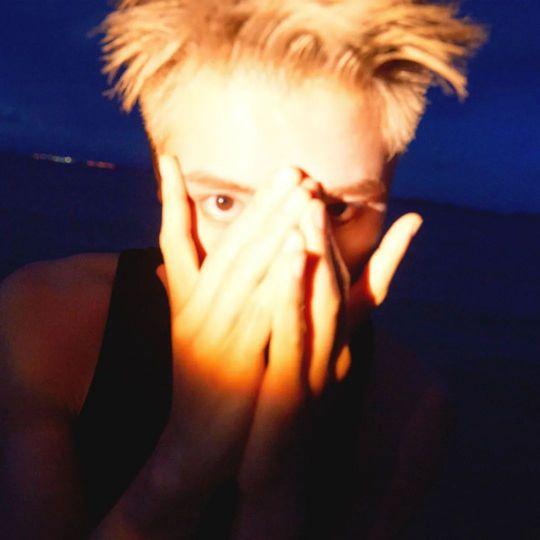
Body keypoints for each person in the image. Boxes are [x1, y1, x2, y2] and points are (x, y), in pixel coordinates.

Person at [0, 1, 484, 538]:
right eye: (225, 202)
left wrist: (275, 490)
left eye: (335, 208)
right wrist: (182, 464)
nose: (283, 253)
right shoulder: (44, 325)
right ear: (164, 183)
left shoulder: (407, 411)